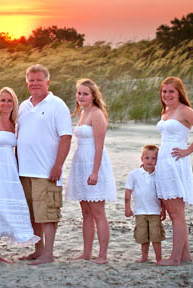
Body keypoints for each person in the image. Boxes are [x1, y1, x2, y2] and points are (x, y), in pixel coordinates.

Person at [0, 87, 40, 266]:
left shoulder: (13, 125)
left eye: (9, 100)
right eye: (2, 100)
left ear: (14, 104)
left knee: (4, 210)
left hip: (9, 173)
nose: (5, 104)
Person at [17, 64, 72, 265]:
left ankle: (48, 254)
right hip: (24, 171)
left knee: (48, 214)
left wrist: (58, 165)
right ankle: (38, 251)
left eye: (39, 80)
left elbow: (66, 137)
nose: (34, 83)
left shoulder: (57, 105)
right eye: (31, 80)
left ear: (47, 82)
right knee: (33, 215)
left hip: (46, 171)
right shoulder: (23, 106)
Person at [155, 76, 193, 266]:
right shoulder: (167, 111)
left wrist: (188, 150)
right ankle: (186, 255)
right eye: (164, 91)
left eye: (171, 91)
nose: (167, 95)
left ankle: (175, 258)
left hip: (175, 164)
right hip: (164, 164)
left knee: (177, 214)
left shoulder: (185, 110)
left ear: (179, 92)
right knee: (173, 213)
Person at [65, 78, 116, 264]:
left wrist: (95, 172)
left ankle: (102, 255)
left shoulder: (97, 114)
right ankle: (86, 253)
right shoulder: (82, 113)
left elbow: (99, 146)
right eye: (79, 93)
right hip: (80, 162)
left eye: (85, 93)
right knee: (85, 212)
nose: (81, 96)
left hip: (94, 163)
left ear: (93, 95)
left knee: (98, 212)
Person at [125, 145, 166, 263]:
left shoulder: (159, 174)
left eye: (153, 158)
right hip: (140, 212)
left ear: (157, 160)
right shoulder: (134, 174)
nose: (150, 161)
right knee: (143, 237)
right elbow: (128, 191)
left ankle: (159, 258)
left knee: (156, 237)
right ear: (141, 158)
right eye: (147, 158)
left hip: (155, 212)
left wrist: (164, 210)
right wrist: (127, 207)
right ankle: (144, 257)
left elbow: (162, 194)